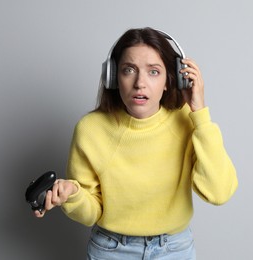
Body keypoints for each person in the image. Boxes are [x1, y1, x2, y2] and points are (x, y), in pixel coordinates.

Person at [35, 27, 238, 260]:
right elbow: (92, 212)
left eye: (153, 72)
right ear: (113, 77)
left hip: (174, 250)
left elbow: (219, 192)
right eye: (129, 70)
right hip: (111, 250)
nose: (140, 83)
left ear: (169, 80)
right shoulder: (90, 129)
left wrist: (199, 112)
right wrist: (73, 195)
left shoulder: (187, 121)